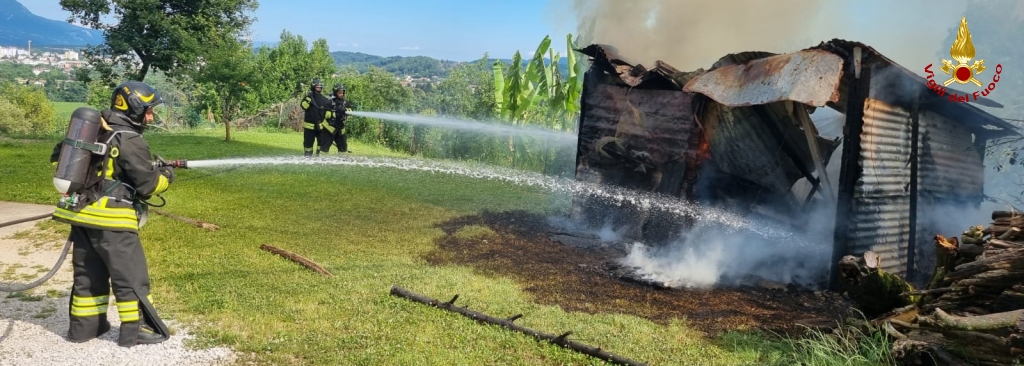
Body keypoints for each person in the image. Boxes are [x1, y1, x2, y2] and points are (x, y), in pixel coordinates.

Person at [49, 81, 175, 347]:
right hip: (113, 221)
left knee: (87, 276)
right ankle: (137, 330)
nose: (151, 117)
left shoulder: (92, 128)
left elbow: (58, 158)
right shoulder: (129, 139)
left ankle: (84, 328)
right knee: (130, 276)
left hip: (82, 216)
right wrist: (166, 174)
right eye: (149, 111)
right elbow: (149, 186)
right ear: (135, 109)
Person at [299, 78, 334, 157]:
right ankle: (307, 156)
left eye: (320, 87)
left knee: (321, 144)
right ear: (313, 87)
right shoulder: (308, 98)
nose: (319, 88)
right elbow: (303, 106)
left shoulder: (325, 100)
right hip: (309, 127)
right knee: (308, 144)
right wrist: (308, 99)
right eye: (317, 87)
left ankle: (318, 157)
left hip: (321, 126)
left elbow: (329, 112)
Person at [328, 83, 355, 153]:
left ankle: (342, 158)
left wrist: (345, 110)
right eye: (340, 93)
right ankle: (320, 158)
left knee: (343, 148)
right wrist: (336, 111)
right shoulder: (330, 102)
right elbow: (324, 114)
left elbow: (351, 110)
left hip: (340, 129)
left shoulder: (345, 102)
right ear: (335, 92)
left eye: (342, 93)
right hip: (330, 129)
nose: (341, 94)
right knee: (324, 147)